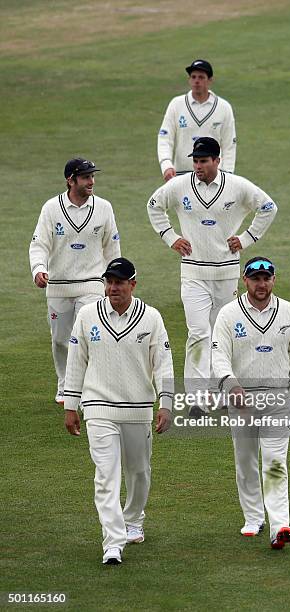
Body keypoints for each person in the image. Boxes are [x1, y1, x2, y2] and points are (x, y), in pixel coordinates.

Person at [147, 137, 277, 414]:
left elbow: (268, 207)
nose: (198, 166)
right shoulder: (180, 185)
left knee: (219, 334)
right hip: (193, 272)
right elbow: (153, 205)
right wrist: (170, 237)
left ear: (217, 161)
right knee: (197, 332)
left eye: (204, 161)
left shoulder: (237, 186)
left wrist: (247, 238)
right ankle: (196, 398)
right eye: (195, 160)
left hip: (226, 274)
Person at [64, 257, 174, 565]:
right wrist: (72, 405)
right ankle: (112, 543)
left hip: (139, 409)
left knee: (138, 473)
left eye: (120, 282)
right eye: (109, 282)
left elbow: (163, 364)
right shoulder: (87, 316)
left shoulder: (151, 318)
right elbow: (76, 361)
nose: (113, 288)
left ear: (133, 285)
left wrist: (165, 402)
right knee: (106, 477)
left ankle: (134, 519)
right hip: (98, 408)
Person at [212, 257, 290, 549]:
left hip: (279, 399)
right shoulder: (229, 314)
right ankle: (253, 517)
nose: (261, 284)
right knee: (245, 459)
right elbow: (219, 355)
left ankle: (280, 525)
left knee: (275, 461)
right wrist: (231, 384)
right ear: (245, 280)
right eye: (256, 279)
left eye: (266, 278)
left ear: (273, 280)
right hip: (242, 400)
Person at [29, 158, 121, 403]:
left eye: (93, 176)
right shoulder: (51, 208)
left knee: (86, 336)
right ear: (71, 180)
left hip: (92, 284)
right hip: (58, 285)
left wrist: (115, 281)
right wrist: (38, 269)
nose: (91, 181)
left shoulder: (104, 207)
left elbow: (112, 247)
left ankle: (85, 389)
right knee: (60, 340)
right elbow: (39, 244)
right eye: (85, 177)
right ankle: (64, 384)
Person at [157, 59, 236, 181]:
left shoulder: (223, 107)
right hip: (181, 176)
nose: (196, 81)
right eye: (193, 77)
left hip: (213, 177)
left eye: (201, 77)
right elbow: (165, 138)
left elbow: (229, 145)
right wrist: (166, 165)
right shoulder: (176, 104)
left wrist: (228, 174)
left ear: (210, 80)